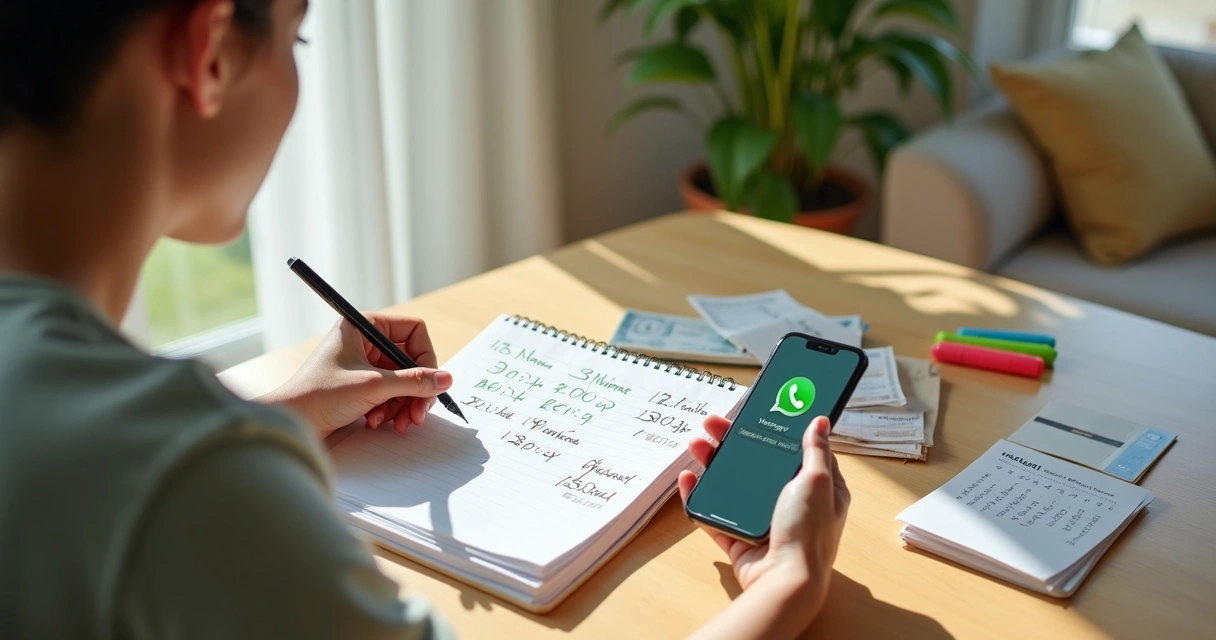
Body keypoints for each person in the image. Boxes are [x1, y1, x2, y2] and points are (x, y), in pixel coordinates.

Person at [0, 0, 850, 638]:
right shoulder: (187, 478)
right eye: (296, 38)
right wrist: (789, 584)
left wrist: (276, 416)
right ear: (211, 50)